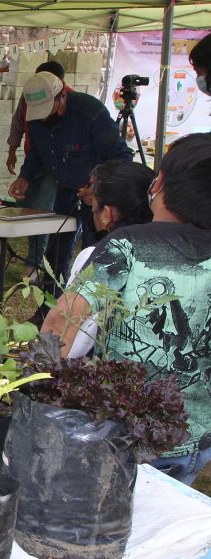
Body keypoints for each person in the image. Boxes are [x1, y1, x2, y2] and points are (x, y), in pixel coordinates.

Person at [42, 133, 211, 485]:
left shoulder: (127, 245)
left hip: (129, 436)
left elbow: (65, 315)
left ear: (159, 183)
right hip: (197, 439)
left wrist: (40, 387)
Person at [8, 71, 132, 282]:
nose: (44, 117)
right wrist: (25, 177)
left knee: (93, 251)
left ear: (62, 95)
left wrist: (99, 188)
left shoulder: (90, 113)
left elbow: (123, 156)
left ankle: (89, 308)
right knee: (55, 253)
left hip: (97, 195)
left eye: (49, 110)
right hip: (66, 189)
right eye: (39, 113)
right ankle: (48, 307)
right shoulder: (37, 118)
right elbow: (37, 151)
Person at [64, 160, 154, 359]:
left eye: (94, 207)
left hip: (107, 375)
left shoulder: (95, 258)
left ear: (107, 214)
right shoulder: (181, 259)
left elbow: (73, 341)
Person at [6, 60, 74, 282]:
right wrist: (14, 153)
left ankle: (36, 262)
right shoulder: (30, 95)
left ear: (60, 88)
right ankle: (38, 257)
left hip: (58, 169)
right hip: (35, 162)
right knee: (24, 207)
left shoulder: (75, 105)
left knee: (41, 211)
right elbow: (20, 125)